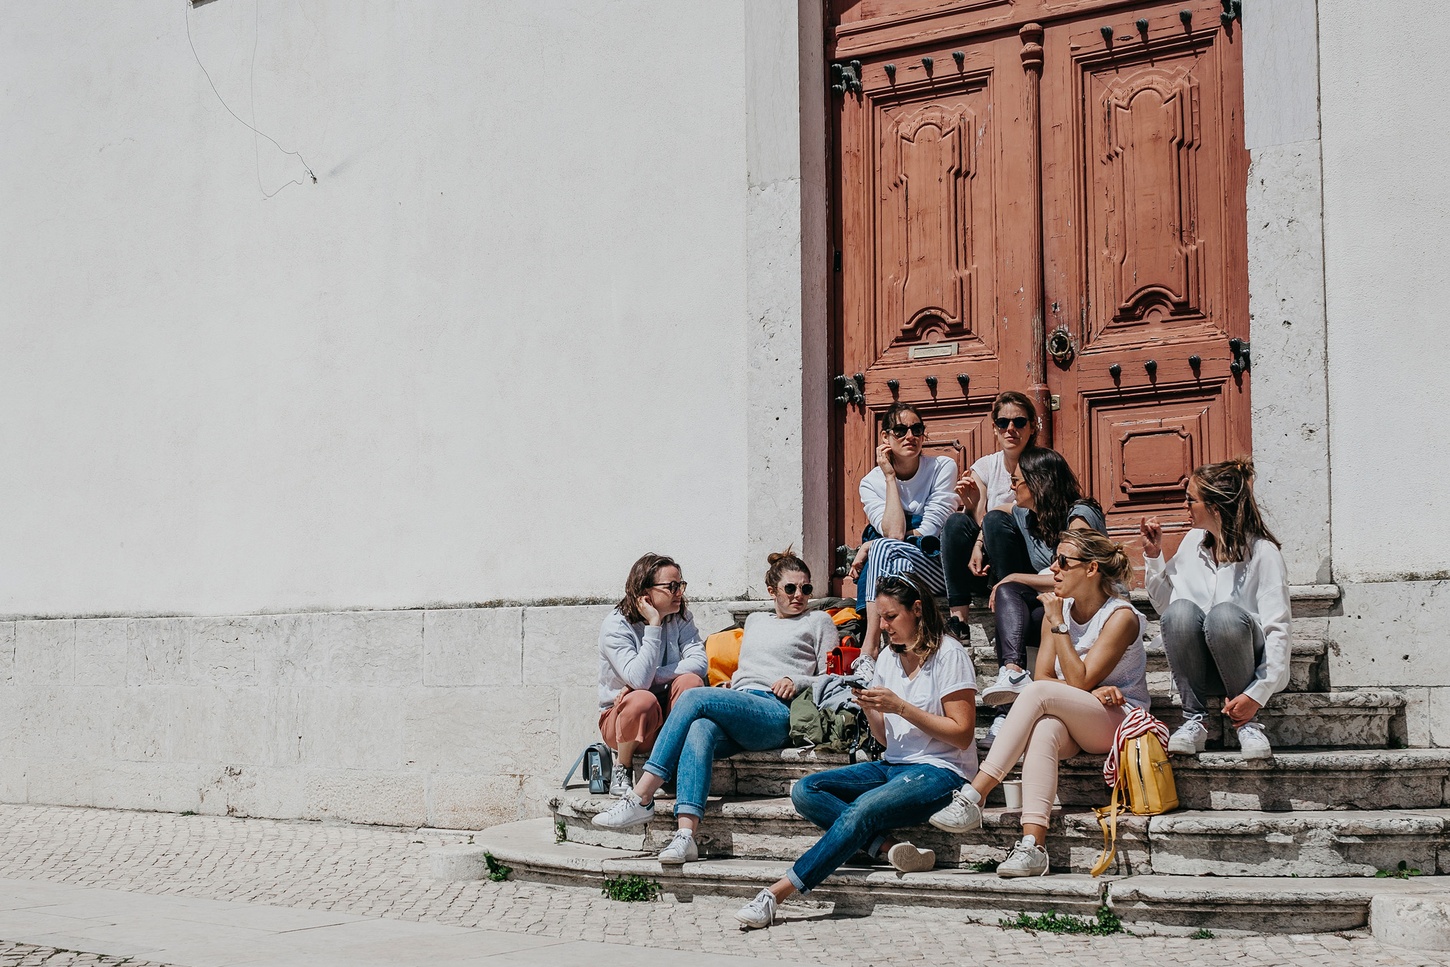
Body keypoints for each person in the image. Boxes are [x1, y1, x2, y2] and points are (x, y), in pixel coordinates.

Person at [732, 573, 977, 929]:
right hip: (894, 764)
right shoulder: (889, 659)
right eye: (880, 618)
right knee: (806, 789)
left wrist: (900, 707)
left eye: (891, 617)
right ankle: (886, 847)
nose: (882, 627)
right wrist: (869, 706)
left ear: (918, 610)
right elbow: (882, 738)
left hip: (942, 771)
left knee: (862, 809)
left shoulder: (949, 654)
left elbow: (962, 735)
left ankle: (778, 893)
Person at [592, 550, 838, 865]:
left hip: (776, 708)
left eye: (806, 589)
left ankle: (640, 795)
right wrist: (730, 691)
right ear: (772, 591)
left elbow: (832, 679)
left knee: (695, 694)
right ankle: (685, 838)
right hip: (741, 703)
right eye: (791, 588)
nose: (799, 596)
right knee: (700, 729)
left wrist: (797, 679)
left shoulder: (819, 621)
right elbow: (745, 672)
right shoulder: (755, 621)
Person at [927, 531, 1149, 878]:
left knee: (1032, 694)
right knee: (1044, 729)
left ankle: (975, 794)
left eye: (1063, 562)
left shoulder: (1120, 616)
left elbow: (1075, 680)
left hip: (1121, 719)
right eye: (1055, 561)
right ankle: (1034, 846)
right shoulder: (1056, 609)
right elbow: (1045, 676)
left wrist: (1059, 624)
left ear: (1092, 569)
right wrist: (1087, 691)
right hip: (1085, 711)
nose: (1054, 569)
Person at [1141, 458, 1291, 761]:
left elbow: (1278, 630)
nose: (1185, 506)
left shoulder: (1263, 553)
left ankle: (1246, 723)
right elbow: (1166, 609)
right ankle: (1194, 719)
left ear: (1214, 507)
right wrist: (1154, 557)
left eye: (1191, 499)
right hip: (1202, 668)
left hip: (1246, 668)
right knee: (1180, 611)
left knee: (1224, 616)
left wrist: (1256, 693)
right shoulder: (1192, 543)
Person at [976, 447, 1107, 748]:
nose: (1011, 487)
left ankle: (1005, 711)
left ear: (1039, 483)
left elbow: (1073, 576)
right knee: (1008, 594)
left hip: (1084, 610)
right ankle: (1012, 677)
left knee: (1010, 586)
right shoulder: (1028, 514)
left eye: (1016, 481)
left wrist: (1014, 576)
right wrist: (979, 543)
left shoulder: (1079, 518)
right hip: (1054, 607)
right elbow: (999, 512)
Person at [846, 402, 959, 675]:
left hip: (937, 569)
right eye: (900, 430)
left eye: (917, 429)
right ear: (885, 438)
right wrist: (889, 477)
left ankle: (869, 650)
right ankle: (897, 653)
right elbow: (895, 533)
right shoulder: (871, 482)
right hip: (901, 573)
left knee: (883, 547)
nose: (911, 436)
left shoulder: (942, 467)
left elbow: (929, 529)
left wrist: (871, 544)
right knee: (891, 559)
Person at [597, 553, 708, 796]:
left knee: (691, 682)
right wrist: (654, 625)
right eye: (672, 586)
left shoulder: (681, 617)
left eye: (681, 585)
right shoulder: (616, 626)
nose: (679, 592)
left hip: (666, 715)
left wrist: (655, 677)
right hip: (623, 721)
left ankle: (672, 764)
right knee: (641, 699)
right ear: (645, 592)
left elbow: (700, 663)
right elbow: (639, 681)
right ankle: (623, 768)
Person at [939, 391, 1038, 634]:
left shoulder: (1041, 465)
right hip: (984, 566)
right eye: (1003, 423)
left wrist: (981, 539)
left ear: (1032, 427)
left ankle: (1011, 609)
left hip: (1027, 563)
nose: (1010, 429)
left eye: (1019, 422)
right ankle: (959, 620)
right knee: (955, 522)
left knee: (997, 518)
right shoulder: (985, 466)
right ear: (995, 428)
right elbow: (981, 520)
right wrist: (972, 506)